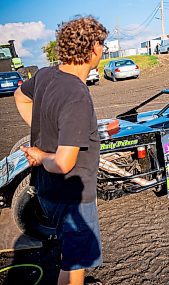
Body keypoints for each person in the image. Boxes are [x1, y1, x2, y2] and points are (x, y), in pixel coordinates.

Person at [14, 16, 108, 284]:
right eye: (102, 45)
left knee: (70, 258)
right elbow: (64, 163)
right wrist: (42, 154)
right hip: (71, 197)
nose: (103, 51)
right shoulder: (76, 94)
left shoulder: (45, 75)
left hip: (46, 190)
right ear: (91, 49)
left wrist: (44, 126)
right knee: (75, 265)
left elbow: (20, 95)